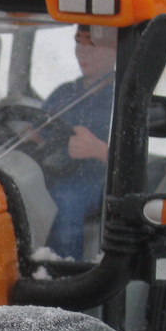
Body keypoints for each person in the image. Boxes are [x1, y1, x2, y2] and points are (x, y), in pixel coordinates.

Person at [39, 24, 115, 258]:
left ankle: (65, 272)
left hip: (101, 180)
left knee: (65, 198)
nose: (82, 51)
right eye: (78, 41)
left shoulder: (122, 95)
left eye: (92, 43)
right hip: (56, 170)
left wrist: (98, 149)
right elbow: (38, 129)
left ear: (115, 50)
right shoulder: (65, 92)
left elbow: (136, 159)